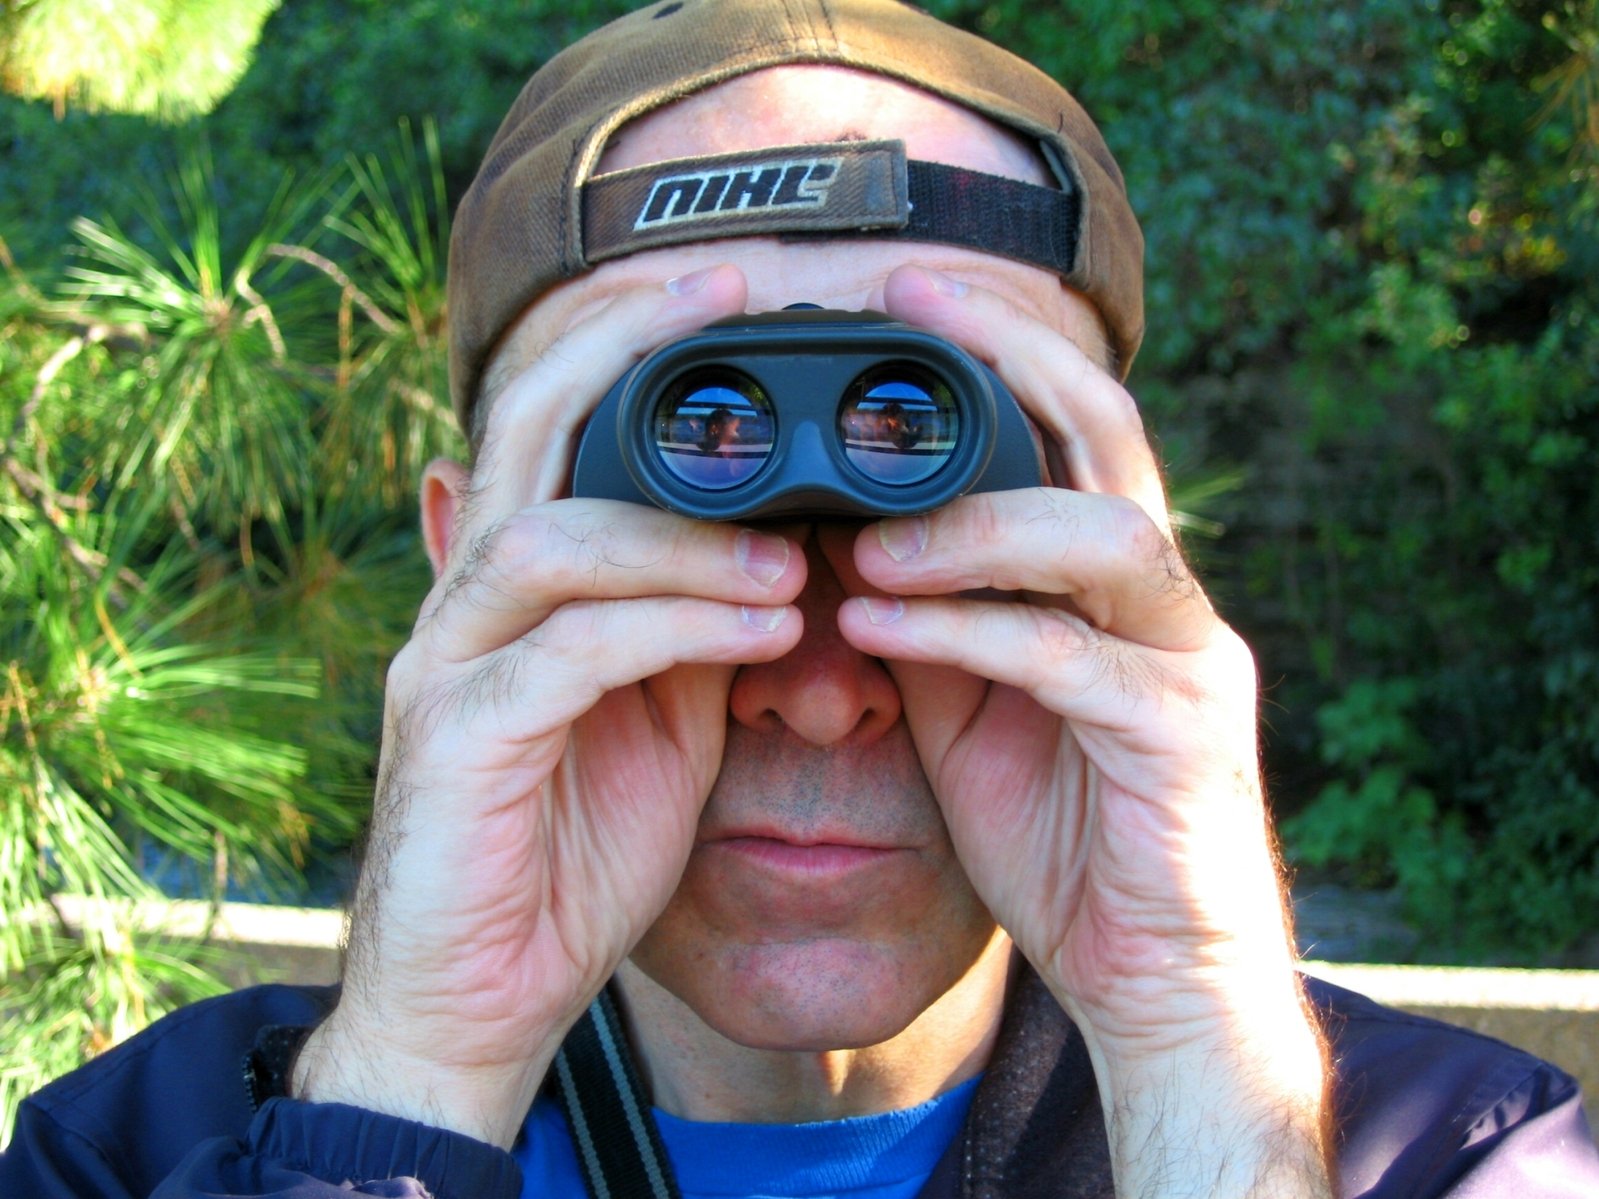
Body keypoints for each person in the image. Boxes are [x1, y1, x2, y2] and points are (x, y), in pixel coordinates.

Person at [4, 1, 1596, 1196]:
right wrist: (406, 1089)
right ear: (462, 556)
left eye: (940, 461)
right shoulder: (125, 1162)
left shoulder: (1465, 1161)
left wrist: (1199, 1069)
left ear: (1123, 536)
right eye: (678, 452)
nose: (819, 681)